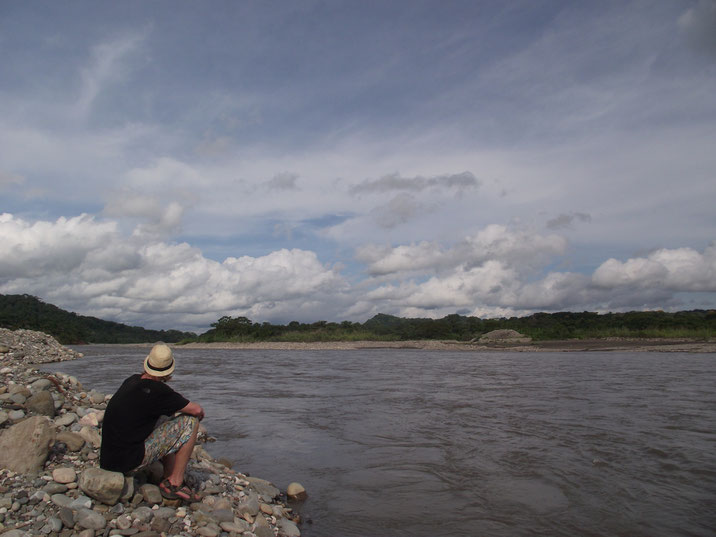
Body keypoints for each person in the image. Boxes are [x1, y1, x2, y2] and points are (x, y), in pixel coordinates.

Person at [100, 344, 205, 501]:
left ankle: (168, 473)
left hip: (109, 458)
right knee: (190, 422)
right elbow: (197, 411)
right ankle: (174, 482)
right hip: (126, 461)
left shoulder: (132, 380)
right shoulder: (159, 391)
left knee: (165, 418)